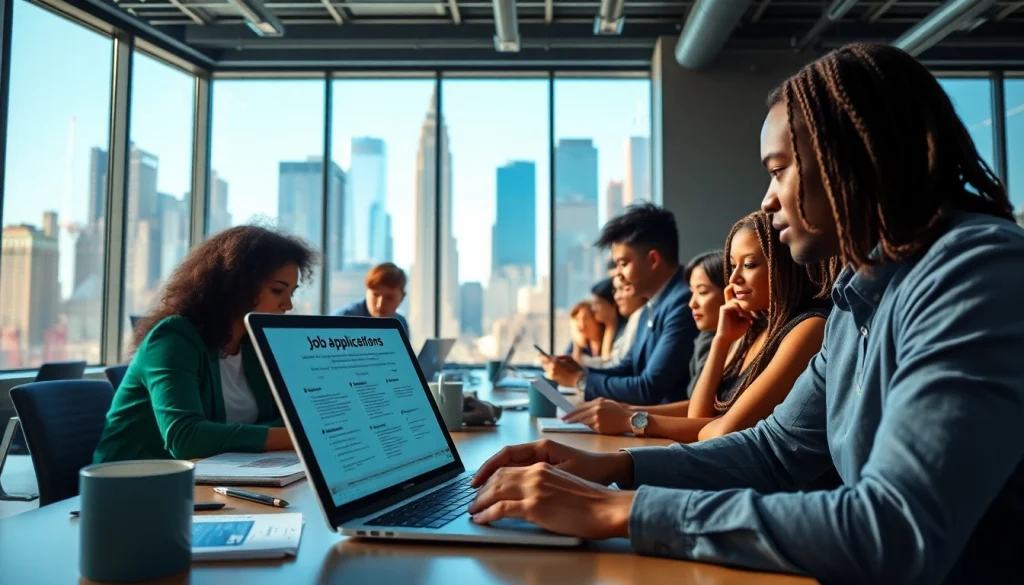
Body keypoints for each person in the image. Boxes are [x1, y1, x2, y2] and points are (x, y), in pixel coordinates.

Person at [467, 44, 1024, 584]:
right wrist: (611, 469)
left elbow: (894, 531)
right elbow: (774, 450)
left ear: (849, 159)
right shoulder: (859, 296)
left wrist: (621, 512)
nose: (766, 199)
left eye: (779, 169)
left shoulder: (974, 271)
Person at [565, 211, 836, 441]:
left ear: (785, 266)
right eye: (732, 266)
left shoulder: (808, 328)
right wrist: (721, 340)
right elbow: (701, 414)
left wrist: (631, 420)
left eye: (750, 265)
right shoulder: (752, 329)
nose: (735, 278)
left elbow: (725, 431)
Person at [93, 226, 317, 462]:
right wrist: (297, 438)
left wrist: (292, 431)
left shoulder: (254, 345)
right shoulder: (174, 337)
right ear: (237, 284)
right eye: (277, 290)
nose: (288, 305)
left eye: (291, 293)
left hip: (213, 475)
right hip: (132, 483)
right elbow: (186, 437)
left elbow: (284, 417)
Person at [540, 203, 699, 405]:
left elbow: (648, 389)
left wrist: (578, 381)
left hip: (665, 430)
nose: (618, 274)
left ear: (653, 260)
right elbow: (628, 368)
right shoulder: (651, 306)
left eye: (623, 263)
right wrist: (579, 371)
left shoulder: (684, 302)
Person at [682, 249, 726, 398]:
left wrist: (632, 414)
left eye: (702, 292)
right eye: (692, 292)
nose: (691, 304)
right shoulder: (705, 336)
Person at [581, 276, 646, 369]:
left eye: (597, 303)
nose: (593, 309)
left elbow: (618, 366)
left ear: (612, 304)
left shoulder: (634, 324)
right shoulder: (605, 328)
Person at [335, 262, 409, 334]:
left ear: (402, 297)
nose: (380, 304)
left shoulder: (401, 324)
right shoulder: (344, 319)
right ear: (366, 291)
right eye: (375, 295)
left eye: (389, 298)